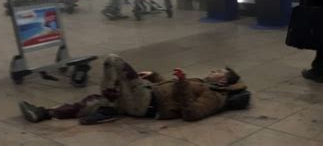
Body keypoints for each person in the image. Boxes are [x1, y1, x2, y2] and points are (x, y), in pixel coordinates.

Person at [18, 55, 250, 124]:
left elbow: (191, 114)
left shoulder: (214, 96)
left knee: (113, 61)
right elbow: (170, 89)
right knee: (91, 100)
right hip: (147, 95)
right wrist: (155, 76)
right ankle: (44, 113)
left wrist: (181, 84)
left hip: (149, 103)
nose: (213, 69)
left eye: (218, 70)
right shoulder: (204, 83)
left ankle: (109, 109)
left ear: (223, 82)